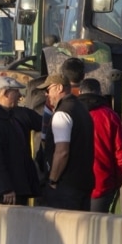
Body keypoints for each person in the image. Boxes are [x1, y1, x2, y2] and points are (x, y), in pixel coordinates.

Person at [0, 75, 40, 205]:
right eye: (16, 92)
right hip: (2, 195)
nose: (20, 96)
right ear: (5, 93)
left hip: (13, 189)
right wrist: (5, 188)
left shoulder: (7, 116)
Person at [39, 72, 95, 211]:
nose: (46, 95)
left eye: (48, 90)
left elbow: (62, 152)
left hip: (65, 188)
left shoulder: (62, 114)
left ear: (59, 88)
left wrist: (52, 180)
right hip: (83, 184)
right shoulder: (81, 109)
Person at [78, 78, 122, 213]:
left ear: (80, 92)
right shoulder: (110, 116)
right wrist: (115, 182)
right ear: (100, 93)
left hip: (75, 187)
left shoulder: (70, 114)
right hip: (102, 184)